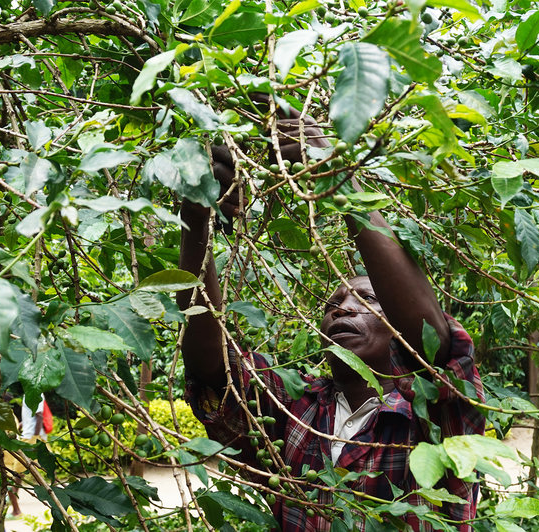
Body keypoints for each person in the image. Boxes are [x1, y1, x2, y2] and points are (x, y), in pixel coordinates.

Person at [178, 102, 485, 531]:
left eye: (368, 300)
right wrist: (197, 220)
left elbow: (430, 338)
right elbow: (214, 369)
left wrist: (339, 178)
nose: (342, 307)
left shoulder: (431, 409)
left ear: (395, 322)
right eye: (332, 304)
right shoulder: (296, 405)